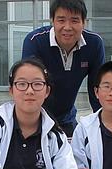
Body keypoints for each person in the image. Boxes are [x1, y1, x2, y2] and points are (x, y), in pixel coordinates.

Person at [22, 0, 105, 137]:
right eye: (61, 20)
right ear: (52, 21)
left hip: (67, 119)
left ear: (84, 22)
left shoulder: (94, 44)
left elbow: (98, 90)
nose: (67, 27)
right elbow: (29, 86)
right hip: (35, 119)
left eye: (74, 20)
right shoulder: (34, 41)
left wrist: (103, 126)